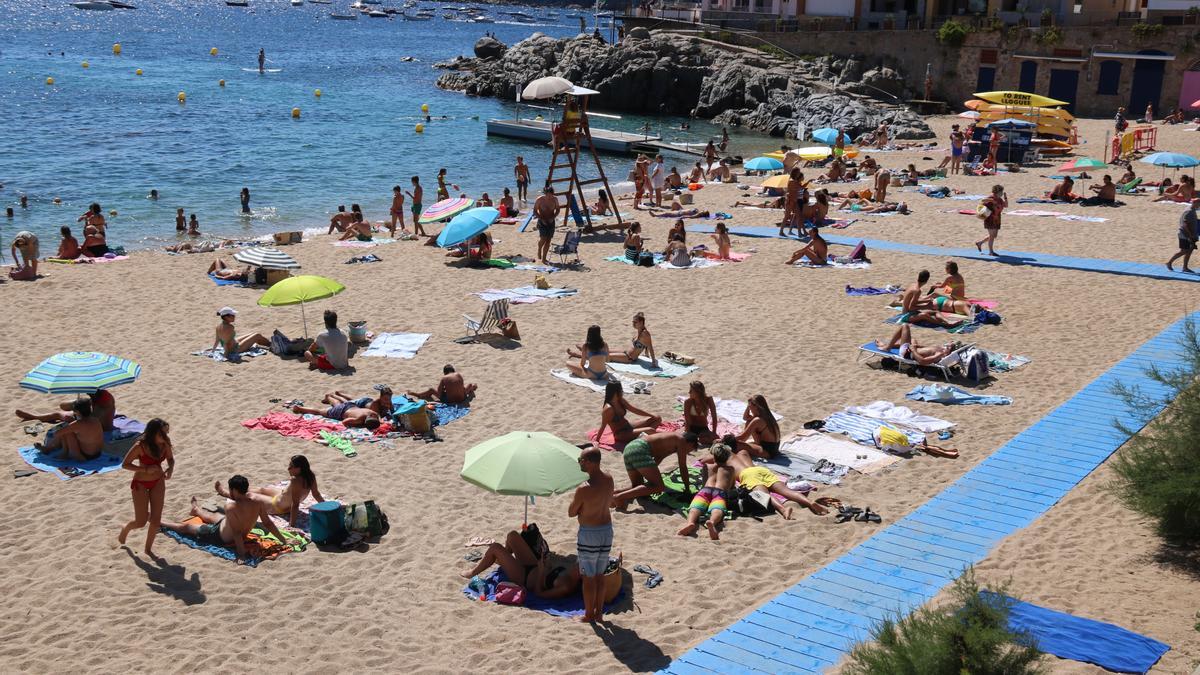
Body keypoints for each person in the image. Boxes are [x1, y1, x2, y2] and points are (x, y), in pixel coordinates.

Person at [160, 476, 290, 562]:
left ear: (233, 490)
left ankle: (161, 522)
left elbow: (237, 533)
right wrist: (283, 541)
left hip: (219, 536)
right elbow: (268, 523)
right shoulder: (256, 502)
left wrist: (241, 554)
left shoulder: (231, 507)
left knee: (186, 527)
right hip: (226, 526)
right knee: (213, 516)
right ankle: (197, 510)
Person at [459, 528, 582, 599]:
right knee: (512, 535)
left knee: (495, 547)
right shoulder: (570, 573)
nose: (576, 565)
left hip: (525, 578)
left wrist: (540, 571)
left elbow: (539, 593)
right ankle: (504, 560)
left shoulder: (566, 586)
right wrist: (547, 564)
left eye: (579, 566)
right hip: (534, 565)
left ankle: (473, 572)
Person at [117, 418, 175, 556]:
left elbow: (171, 459)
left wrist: (170, 468)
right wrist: (145, 469)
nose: (165, 437)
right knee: (140, 521)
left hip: (158, 481)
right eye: (162, 433)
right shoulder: (140, 446)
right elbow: (125, 464)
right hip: (141, 483)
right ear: (153, 433)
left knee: (156, 520)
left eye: (166, 433)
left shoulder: (165, 443)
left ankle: (148, 549)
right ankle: (126, 528)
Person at [569, 447, 614, 623]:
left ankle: (588, 615)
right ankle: (599, 614)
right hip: (606, 530)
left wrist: (581, 507)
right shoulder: (609, 479)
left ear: (591, 463)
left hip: (590, 534)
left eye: (581, 460)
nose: (579, 463)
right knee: (600, 575)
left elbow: (571, 512)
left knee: (588, 577)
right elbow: (610, 502)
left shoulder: (583, 489)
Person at [216, 455, 324, 527]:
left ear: (299, 468)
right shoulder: (310, 475)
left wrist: (292, 525)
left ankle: (225, 493)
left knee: (249, 496)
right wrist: (328, 507)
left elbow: (295, 505)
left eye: (291, 467)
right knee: (262, 490)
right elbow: (316, 494)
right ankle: (239, 487)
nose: (288, 469)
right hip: (283, 497)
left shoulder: (296, 480)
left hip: (278, 506)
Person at [727, 444, 827, 518]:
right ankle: (809, 502)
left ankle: (783, 510)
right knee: (787, 491)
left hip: (748, 474)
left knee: (764, 495)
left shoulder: (727, 461)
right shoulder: (743, 452)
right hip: (761, 470)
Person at [611, 430, 700, 508]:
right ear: (691, 443)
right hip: (640, 449)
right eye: (690, 449)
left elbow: (658, 457)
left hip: (630, 447)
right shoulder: (681, 440)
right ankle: (619, 497)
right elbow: (683, 467)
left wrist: (650, 477)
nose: (687, 452)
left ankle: (614, 493)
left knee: (638, 485)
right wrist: (687, 489)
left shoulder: (671, 439)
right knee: (659, 487)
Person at [678, 443, 734, 539]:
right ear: (728, 457)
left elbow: (704, 483)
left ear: (714, 456)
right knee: (717, 509)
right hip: (720, 492)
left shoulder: (707, 466)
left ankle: (690, 522)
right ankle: (712, 522)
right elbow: (730, 487)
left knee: (695, 508)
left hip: (705, 490)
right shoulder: (731, 469)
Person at [34, 398, 103, 460]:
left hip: (84, 456)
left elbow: (57, 433)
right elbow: (85, 429)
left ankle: (65, 453)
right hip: (97, 454)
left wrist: (69, 423)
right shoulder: (95, 420)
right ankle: (50, 449)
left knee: (66, 431)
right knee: (70, 430)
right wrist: (72, 422)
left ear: (78, 412)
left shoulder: (77, 424)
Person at [16, 389, 116, 431]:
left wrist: (76, 418)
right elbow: (63, 405)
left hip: (101, 429)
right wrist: (79, 403)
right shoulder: (98, 396)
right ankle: (34, 417)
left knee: (58, 415)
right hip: (96, 424)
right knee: (63, 409)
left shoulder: (104, 402)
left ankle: (34, 417)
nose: (88, 394)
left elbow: (92, 422)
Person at [597, 381, 661, 445]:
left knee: (657, 418)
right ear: (616, 392)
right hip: (620, 434)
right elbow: (603, 426)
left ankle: (642, 436)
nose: (622, 391)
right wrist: (597, 441)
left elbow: (634, 410)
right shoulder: (608, 409)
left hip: (628, 426)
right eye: (621, 390)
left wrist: (651, 415)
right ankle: (647, 437)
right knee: (650, 430)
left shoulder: (620, 400)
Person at [899, 270, 963, 328]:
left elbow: (913, 302)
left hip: (909, 312)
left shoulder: (912, 285)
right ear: (927, 280)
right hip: (906, 316)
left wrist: (927, 300)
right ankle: (944, 324)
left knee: (935, 312)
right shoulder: (917, 291)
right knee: (924, 315)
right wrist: (926, 306)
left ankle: (948, 321)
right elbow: (911, 307)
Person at [875, 324, 962, 365]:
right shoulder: (941, 349)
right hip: (912, 349)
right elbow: (927, 349)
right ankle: (886, 345)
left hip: (907, 353)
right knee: (913, 340)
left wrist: (913, 350)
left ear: (949, 351)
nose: (948, 343)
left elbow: (923, 361)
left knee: (905, 326)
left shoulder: (939, 354)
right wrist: (918, 346)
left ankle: (888, 347)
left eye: (950, 345)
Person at [291, 392, 382, 429]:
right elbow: (345, 422)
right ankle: (300, 408)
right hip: (342, 412)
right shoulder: (358, 419)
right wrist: (360, 425)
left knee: (338, 404)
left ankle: (329, 397)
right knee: (319, 412)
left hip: (350, 406)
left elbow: (380, 420)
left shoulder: (374, 413)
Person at [736, 395, 782, 459]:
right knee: (749, 421)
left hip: (767, 451)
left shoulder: (758, 420)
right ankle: (756, 445)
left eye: (750, 407)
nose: (750, 409)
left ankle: (756, 445)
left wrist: (726, 440)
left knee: (737, 445)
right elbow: (745, 417)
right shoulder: (767, 416)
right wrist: (749, 405)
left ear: (756, 407)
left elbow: (742, 438)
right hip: (774, 449)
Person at [408, 364, 477, 404]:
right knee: (470, 385)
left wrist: (445, 390)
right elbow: (461, 388)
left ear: (445, 372)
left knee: (431, 390)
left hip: (450, 401)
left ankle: (418, 395)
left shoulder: (444, 378)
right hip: (462, 398)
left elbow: (439, 393)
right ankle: (473, 387)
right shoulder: (458, 375)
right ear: (453, 370)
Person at [1168, 198, 1200, 273]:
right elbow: (1185, 225)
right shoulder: (1189, 211)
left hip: (1191, 235)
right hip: (1184, 234)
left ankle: (1185, 267)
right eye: (1199, 204)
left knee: (1189, 250)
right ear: (1195, 203)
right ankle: (1169, 262)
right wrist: (1190, 236)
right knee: (1184, 251)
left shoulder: (1192, 210)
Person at [973, 184, 1006, 256]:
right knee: (992, 236)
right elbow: (982, 200)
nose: (1002, 193)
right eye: (1001, 191)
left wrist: (1006, 198)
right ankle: (991, 252)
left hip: (997, 219)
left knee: (994, 236)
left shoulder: (999, 199)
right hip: (990, 219)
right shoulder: (991, 197)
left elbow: (1006, 205)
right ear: (997, 191)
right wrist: (991, 200)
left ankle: (980, 243)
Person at [534, 184, 559, 264]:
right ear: (545, 194)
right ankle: (539, 249)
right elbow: (534, 211)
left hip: (551, 221)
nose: (549, 197)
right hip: (542, 221)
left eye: (551, 195)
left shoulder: (555, 199)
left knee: (548, 240)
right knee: (543, 238)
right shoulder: (539, 200)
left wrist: (553, 217)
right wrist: (541, 219)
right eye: (548, 196)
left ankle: (544, 259)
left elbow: (558, 210)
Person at [781, 168, 805, 236]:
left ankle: (799, 233)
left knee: (798, 216)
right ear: (795, 173)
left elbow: (799, 188)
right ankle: (781, 231)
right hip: (790, 201)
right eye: (798, 172)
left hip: (795, 200)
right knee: (787, 216)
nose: (799, 174)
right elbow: (791, 192)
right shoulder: (792, 181)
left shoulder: (795, 181)